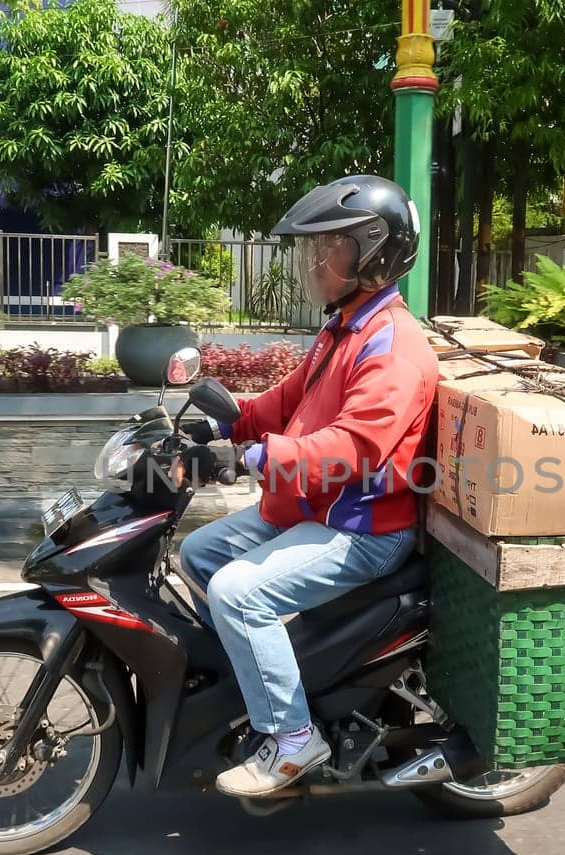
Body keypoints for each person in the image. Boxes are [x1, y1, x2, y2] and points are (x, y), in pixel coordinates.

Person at [178, 175, 439, 797]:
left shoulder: (393, 347)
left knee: (238, 592)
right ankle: (255, 679)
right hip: (316, 508)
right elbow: (286, 401)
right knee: (198, 553)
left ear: (374, 254)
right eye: (312, 249)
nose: (313, 262)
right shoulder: (343, 329)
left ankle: (293, 740)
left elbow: (354, 448)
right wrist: (227, 416)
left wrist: (248, 460)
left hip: (362, 527)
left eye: (329, 248)